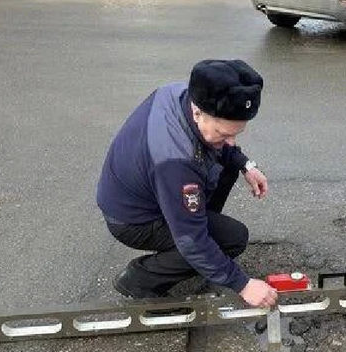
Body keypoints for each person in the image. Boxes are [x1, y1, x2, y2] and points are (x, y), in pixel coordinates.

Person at [97, 60, 278, 310]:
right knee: (232, 239)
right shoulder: (176, 161)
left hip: (145, 191)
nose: (231, 141)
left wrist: (245, 164)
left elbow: (223, 146)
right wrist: (243, 284)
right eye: (224, 134)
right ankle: (139, 279)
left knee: (227, 167)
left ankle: (198, 239)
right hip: (132, 220)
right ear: (197, 113)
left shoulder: (185, 94)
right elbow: (191, 239)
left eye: (236, 133)